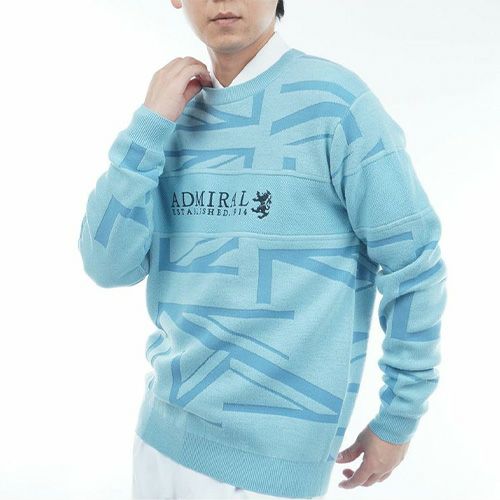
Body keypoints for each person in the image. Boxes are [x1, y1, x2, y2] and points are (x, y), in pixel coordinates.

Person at [77, 1, 448, 498]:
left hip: (274, 469)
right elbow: (106, 265)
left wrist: (398, 417)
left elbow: (414, 263)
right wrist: (147, 127)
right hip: (160, 442)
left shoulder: (337, 106)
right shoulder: (170, 116)